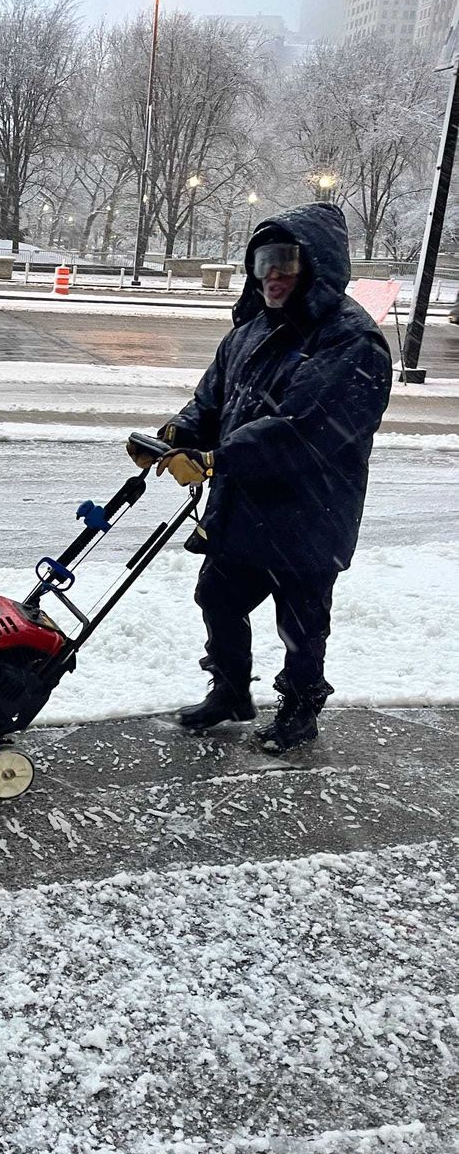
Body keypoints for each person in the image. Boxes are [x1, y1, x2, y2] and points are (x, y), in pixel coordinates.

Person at [127, 202, 392, 753]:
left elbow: (301, 431)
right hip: (247, 508)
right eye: (263, 260)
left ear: (316, 266)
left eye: (287, 260)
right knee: (217, 598)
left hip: (309, 514)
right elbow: (212, 401)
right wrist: (178, 434)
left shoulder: (351, 342)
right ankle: (230, 692)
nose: (272, 274)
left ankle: (299, 710)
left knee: (300, 626)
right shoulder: (249, 332)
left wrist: (216, 460)